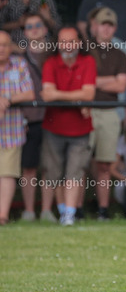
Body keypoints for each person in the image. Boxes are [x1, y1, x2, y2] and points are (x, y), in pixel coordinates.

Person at [40, 26, 96, 226]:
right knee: (54, 172)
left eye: (71, 41)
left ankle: (69, 216)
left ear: (79, 42)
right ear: (57, 43)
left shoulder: (88, 61)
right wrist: (77, 99)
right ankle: (64, 211)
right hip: (53, 127)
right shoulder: (50, 62)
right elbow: (47, 95)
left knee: (75, 172)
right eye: (63, 41)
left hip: (81, 128)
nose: (67, 46)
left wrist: (59, 95)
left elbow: (89, 94)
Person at [86, 7, 126, 220]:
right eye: (103, 24)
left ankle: (103, 210)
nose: (106, 28)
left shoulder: (120, 54)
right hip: (85, 111)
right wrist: (108, 80)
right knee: (80, 162)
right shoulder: (85, 50)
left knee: (104, 164)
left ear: (115, 28)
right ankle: (75, 210)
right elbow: (82, 83)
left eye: (110, 25)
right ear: (95, 26)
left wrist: (93, 82)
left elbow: (121, 85)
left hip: (110, 112)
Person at [20, 12, 55, 222]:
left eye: (37, 25)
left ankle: (47, 211)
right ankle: (29, 211)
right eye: (29, 26)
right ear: (24, 32)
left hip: (53, 117)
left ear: (45, 29)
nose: (34, 29)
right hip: (29, 119)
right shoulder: (18, 58)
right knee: (29, 167)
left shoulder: (55, 55)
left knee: (50, 166)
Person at [0, 31, 34, 225]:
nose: (1, 49)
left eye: (5, 45)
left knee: (7, 173)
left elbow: (29, 93)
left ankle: (2, 216)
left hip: (11, 129)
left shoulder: (19, 64)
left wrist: (7, 100)